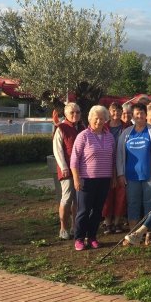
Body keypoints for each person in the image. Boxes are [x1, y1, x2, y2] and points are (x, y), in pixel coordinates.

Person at [116, 103, 151, 245]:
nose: (139, 116)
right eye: (136, 114)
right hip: (131, 177)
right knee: (133, 204)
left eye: (142, 113)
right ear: (132, 116)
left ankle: (148, 234)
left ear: (146, 115)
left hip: (150, 176)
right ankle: (133, 234)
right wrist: (120, 174)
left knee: (150, 204)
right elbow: (120, 155)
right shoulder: (126, 133)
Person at [69, 105, 116, 251]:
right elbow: (74, 160)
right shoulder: (83, 136)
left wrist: (113, 177)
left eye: (102, 118)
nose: (99, 121)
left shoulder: (110, 136)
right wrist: (76, 179)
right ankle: (79, 238)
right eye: (96, 118)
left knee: (97, 211)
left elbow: (113, 159)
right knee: (83, 211)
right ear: (90, 119)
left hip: (104, 179)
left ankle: (92, 237)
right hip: (86, 179)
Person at [52, 102, 83, 240]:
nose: (75, 114)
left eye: (77, 112)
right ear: (66, 114)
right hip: (67, 170)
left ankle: (75, 226)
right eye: (72, 112)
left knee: (77, 199)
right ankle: (63, 227)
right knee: (66, 198)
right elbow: (57, 150)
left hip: (81, 169)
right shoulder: (61, 128)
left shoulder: (82, 127)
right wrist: (63, 167)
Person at [102, 101, 129, 235]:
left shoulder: (126, 127)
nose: (116, 113)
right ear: (109, 112)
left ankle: (117, 221)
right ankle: (107, 222)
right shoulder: (103, 127)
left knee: (121, 193)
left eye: (118, 111)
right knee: (107, 194)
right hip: (106, 163)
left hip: (122, 163)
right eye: (113, 111)